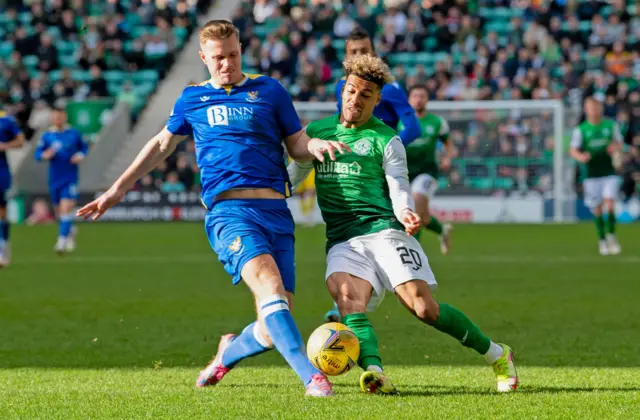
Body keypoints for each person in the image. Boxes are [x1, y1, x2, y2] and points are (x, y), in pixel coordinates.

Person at [77, 20, 348, 397]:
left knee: (273, 323)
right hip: (230, 213)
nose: (227, 64)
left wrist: (314, 147)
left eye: (233, 54)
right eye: (218, 58)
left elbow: (296, 142)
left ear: (241, 50)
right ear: (203, 57)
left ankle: (224, 356)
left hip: (276, 213)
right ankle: (313, 378)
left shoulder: (269, 90)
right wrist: (117, 189)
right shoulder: (193, 99)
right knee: (269, 285)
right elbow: (160, 145)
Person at [288, 54, 518, 395]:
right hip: (342, 239)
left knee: (424, 309)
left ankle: (498, 355)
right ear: (342, 90)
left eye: (365, 95)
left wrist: (407, 212)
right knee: (348, 302)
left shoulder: (387, 139)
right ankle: (375, 373)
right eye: (351, 91)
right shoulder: (316, 133)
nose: (355, 99)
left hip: (385, 230)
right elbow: (290, 179)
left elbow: (398, 187)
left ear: (378, 99)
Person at [325, 26, 421, 322]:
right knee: (351, 233)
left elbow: (413, 127)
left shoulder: (389, 90)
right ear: (345, 56)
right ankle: (357, 297)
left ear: (374, 54)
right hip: (355, 175)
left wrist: (380, 155)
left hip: (384, 169)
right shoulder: (341, 89)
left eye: (364, 51)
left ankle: (371, 293)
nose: (359, 56)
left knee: (389, 233)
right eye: (354, 52)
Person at [400, 84, 454, 254]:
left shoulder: (437, 122)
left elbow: (449, 144)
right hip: (403, 172)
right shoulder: (399, 121)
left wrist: (447, 157)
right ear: (409, 99)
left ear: (427, 99)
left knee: (414, 205)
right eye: (415, 95)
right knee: (422, 218)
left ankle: (413, 252)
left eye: (422, 96)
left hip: (427, 172)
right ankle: (442, 230)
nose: (418, 99)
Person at [569, 96, 624, 255]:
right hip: (591, 174)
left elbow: (619, 142)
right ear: (586, 110)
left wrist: (615, 148)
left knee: (610, 203)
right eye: (590, 108)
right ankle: (602, 240)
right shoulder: (581, 130)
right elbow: (573, 150)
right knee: (598, 207)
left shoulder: (610, 125)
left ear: (600, 109)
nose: (593, 111)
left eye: (596, 107)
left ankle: (612, 236)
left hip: (608, 172)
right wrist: (581, 157)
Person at [35, 107, 88, 254]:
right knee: (59, 212)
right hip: (54, 179)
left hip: (70, 177)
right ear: (52, 118)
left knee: (66, 209)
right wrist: (45, 155)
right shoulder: (47, 136)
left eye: (60, 116)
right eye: (55, 116)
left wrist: (80, 156)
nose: (58, 119)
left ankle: (61, 241)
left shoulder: (74, 133)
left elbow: (84, 149)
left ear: (65, 117)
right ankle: (70, 230)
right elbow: (37, 154)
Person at [0, 110, 25, 268]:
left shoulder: (5, 120)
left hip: (1, 172)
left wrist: (5, 145)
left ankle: (3, 246)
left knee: (2, 212)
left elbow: (20, 141)